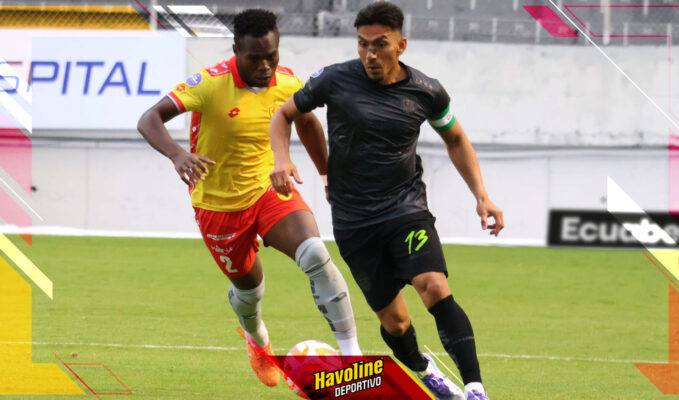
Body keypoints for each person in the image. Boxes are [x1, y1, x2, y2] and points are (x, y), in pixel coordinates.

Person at [269, 2, 504, 400]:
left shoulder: (427, 91)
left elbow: (456, 139)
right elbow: (284, 115)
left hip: (405, 209)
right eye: (363, 44)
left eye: (380, 44)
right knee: (396, 323)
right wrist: (282, 159)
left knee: (433, 286)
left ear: (401, 45)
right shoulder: (334, 79)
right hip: (354, 221)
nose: (370, 54)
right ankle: (424, 369)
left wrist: (482, 196)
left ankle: (475, 388)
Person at [137, 8, 361, 389]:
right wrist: (178, 155)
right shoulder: (210, 83)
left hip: (268, 189)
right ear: (236, 51)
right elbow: (149, 118)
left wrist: (328, 175)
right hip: (218, 206)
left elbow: (307, 122)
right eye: (255, 58)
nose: (265, 65)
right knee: (249, 290)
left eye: (272, 56)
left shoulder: (287, 82)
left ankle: (353, 359)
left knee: (315, 254)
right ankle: (258, 341)